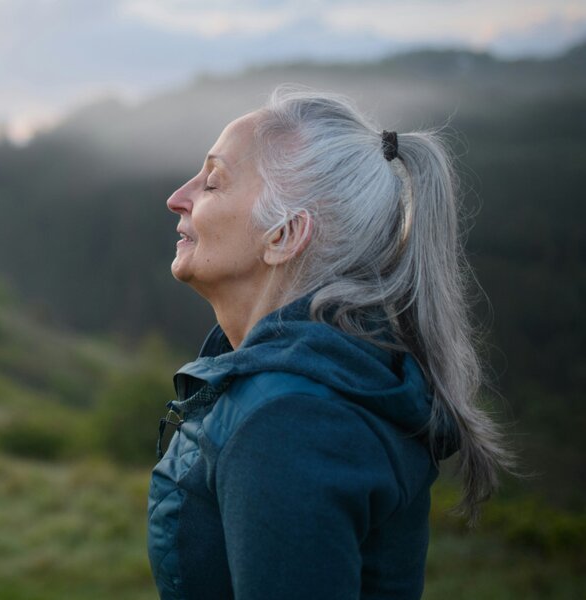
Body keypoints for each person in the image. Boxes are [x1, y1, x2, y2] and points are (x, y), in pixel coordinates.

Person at [146, 87, 515, 600]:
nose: (178, 197)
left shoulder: (287, 421)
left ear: (283, 236)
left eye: (212, 182)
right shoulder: (314, 382)